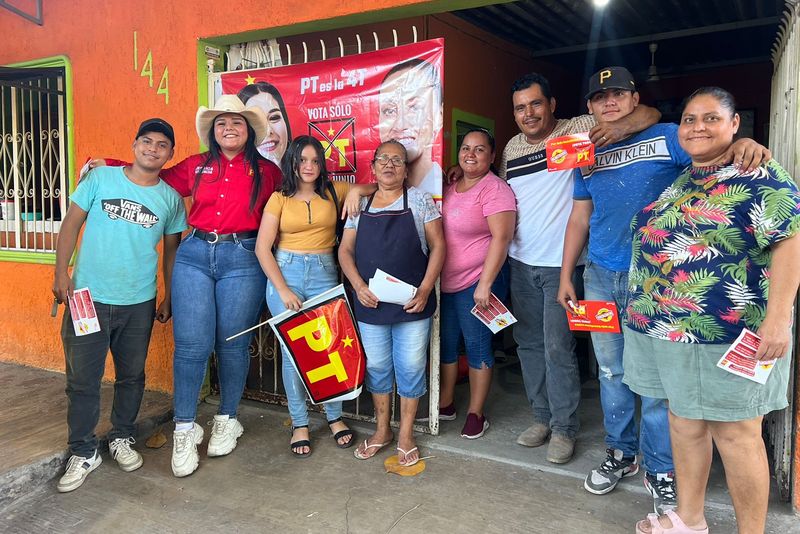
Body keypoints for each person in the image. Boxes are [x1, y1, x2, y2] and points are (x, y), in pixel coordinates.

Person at [557, 67, 770, 512]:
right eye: (599, 98)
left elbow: (710, 151)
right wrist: (566, 276)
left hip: (655, 281)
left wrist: (743, 143)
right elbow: (580, 216)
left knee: (656, 382)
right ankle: (621, 452)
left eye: (617, 94)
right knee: (612, 371)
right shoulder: (585, 151)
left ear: (634, 99)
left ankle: (662, 469)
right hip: (599, 273)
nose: (608, 102)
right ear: (590, 107)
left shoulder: (672, 134)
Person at [624, 87, 799, 534]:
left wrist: (779, 317)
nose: (697, 127)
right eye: (689, 119)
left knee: (737, 434)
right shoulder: (689, 176)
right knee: (684, 424)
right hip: (668, 330)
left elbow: (791, 239)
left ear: (735, 123)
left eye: (710, 118)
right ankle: (690, 519)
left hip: (728, 332)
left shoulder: (759, 173)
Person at [87, 95, 283, 476]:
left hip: (243, 258)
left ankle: (228, 418)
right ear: (213, 130)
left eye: (237, 123)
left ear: (249, 132)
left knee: (232, 342)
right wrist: (109, 165)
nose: (229, 128)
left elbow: (294, 199)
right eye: (222, 123)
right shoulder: (196, 166)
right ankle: (184, 427)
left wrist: (354, 192)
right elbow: (150, 175)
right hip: (194, 254)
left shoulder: (269, 172)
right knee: (191, 345)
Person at [495, 72, 660, 464]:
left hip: (564, 266)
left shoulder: (581, 128)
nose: (528, 113)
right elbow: (503, 195)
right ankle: (542, 418)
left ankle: (565, 428)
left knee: (559, 349)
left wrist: (626, 123)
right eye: (520, 107)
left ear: (552, 104)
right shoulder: (512, 148)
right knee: (529, 345)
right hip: (521, 261)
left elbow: (649, 114)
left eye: (536, 104)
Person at [52, 119, 187, 492]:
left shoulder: (170, 199)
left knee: (131, 376)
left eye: (162, 145)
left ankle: (121, 437)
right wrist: (61, 274)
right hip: (85, 298)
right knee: (82, 380)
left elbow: (171, 254)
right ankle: (83, 450)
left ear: (170, 154)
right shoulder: (100, 179)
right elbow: (70, 225)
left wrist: (170, 295)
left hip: (138, 303)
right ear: (134, 144)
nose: (153, 149)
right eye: (147, 142)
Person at [254, 135, 372, 457]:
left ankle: (334, 417)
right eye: (303, 160)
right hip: (285, 271)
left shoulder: (334, 191)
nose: (309, 166)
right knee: (295, 353)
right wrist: (282, 289)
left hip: (324, 272)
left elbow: (376, 185)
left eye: (315, 161)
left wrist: (358, 190)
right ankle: (300, 423)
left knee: (327, 348)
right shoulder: (279, 198)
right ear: (292, 162)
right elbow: (262, 248)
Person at [338, 140, 445, 467]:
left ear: (406, 168)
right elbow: (345, 251)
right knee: (378, 368)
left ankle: (406, 434)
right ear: (373, 167)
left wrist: (425, 289)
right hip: (371, 305)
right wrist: (357, 286)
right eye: (383, 159)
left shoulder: (420, 200)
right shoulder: (361, 203)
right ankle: (382, 431)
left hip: (413, 305)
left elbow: (438, 246)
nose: (389, 165)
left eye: (397, 161)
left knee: (411, 368)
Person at [437, 128, 515, 439]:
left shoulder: (495, 190)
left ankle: (476, 412)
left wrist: (485, 284)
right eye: (466, 148)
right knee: (446, 345)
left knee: (477, 345)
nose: (471, 154)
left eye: (480, 149)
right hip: (447, 282)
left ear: (492, 156)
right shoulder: (451, 186)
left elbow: (503, 237)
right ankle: (446, 401)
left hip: (477, 283)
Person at [377, 59, 443, 200]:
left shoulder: (449, 187)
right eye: (389, 111)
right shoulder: (369, 196)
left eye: (414, 108)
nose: (400, 125)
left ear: (439, 117)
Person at [238, 81, 292, 167]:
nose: (268, 131)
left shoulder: (302, 174)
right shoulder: (238, 177)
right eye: (256, 122)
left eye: (274, 118)